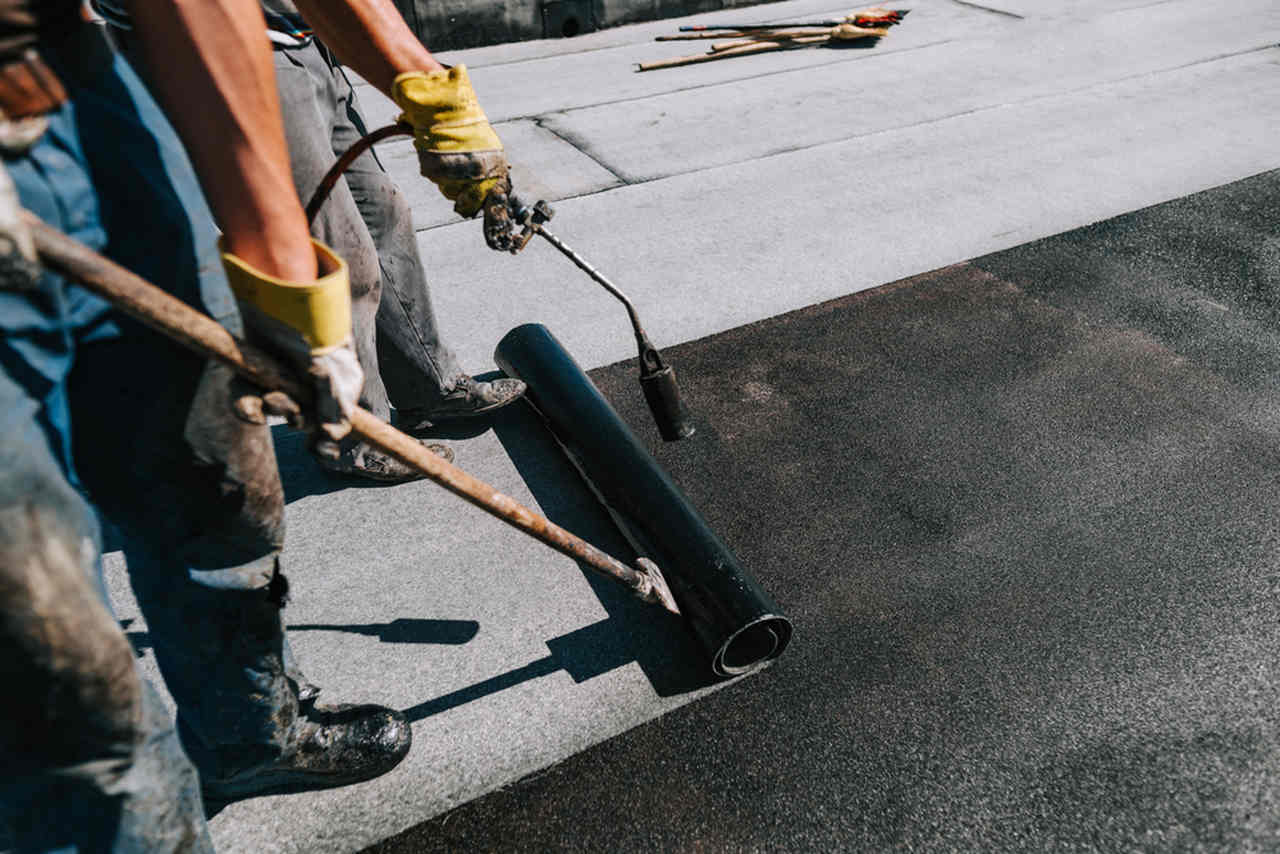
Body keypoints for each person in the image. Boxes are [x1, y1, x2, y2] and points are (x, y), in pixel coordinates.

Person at [0, 0, 514, 844]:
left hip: (74, 88)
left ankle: (247, 733)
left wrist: (280, 273)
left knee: (212, 471)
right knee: (46, 659)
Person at [96, 0, 529, 482]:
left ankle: (430, 387)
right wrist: (428, 86)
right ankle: (354, 435)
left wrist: (426, 89)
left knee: (384, 215)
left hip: (304, 38)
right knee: (336, 256)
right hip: (222, 51)